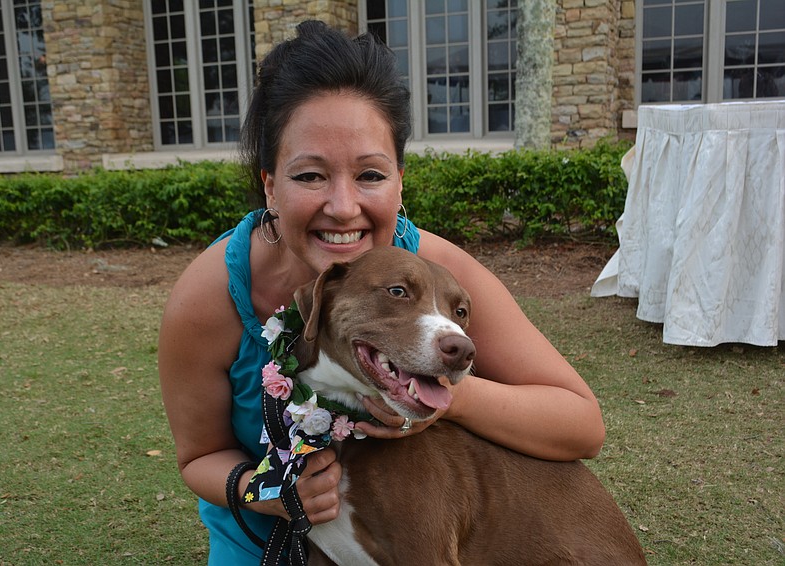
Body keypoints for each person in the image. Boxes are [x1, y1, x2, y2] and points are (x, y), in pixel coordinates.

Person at [158, 20, 605, 565]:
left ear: (400, 180)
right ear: (270, 184)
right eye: (310, 176)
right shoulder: (210, 296)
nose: (343, 207)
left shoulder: (437, 272)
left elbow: (580, 424)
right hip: (263, 535)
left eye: (370, 174)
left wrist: (443, 395)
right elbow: (199, 456)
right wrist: (267, 490)